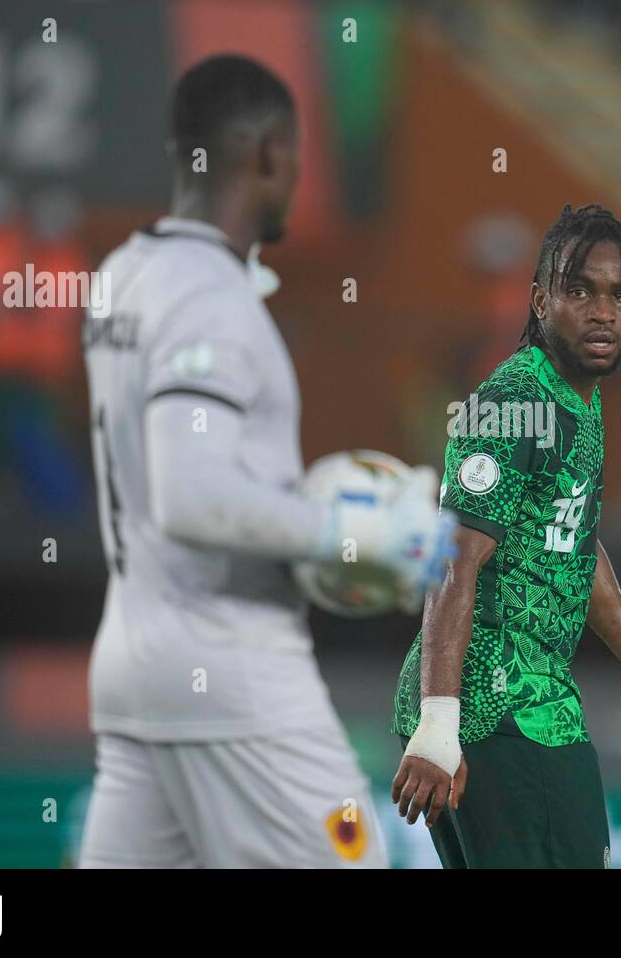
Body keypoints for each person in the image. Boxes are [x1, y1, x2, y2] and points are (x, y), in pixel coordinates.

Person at [78, 54, 455, 868]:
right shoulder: (208, 295)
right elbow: (191, 493)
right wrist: (355, 530)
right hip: (232, 667)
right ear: (270, 157)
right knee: (356, 859)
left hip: (137, 662)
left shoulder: (123, 273)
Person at [390, 203, 621, 868]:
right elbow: (453, 563)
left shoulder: (577, 397)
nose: (602, 311)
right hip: (496, 703)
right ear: (539, 300)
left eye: (620, 294)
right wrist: (439, 726)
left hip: (526, 700)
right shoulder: (513, 405)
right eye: (580, 290)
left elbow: (575, 540)